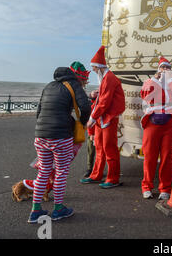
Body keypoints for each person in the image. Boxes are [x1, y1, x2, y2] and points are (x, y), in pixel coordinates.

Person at [28, 66, 91, 223]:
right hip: (61, 136)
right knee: (61, 171)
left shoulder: (49, 85)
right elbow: (85, 107)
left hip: (40, 135)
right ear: (72, 76)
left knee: (43, 171)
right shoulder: (74, 84)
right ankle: (58, 209)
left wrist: (44, 128)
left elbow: (39, 111)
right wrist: (82, 124)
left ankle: (35, 211)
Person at [80, 46, 126, 189]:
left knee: (109, 148)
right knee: (99, 146)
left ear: (99, 67)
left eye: (94, 68)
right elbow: (102, 100)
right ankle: (96, 174)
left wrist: (92, 118)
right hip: (102, 118)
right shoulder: (105, 79)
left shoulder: (109, 78)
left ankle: (113, 178)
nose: (93, 70)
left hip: (108, 118)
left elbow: (105, 102)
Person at [140, 57, 172, 199]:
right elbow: (145, 95)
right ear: (158, 69)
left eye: (167, 67)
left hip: (169, 123)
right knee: (149, 156)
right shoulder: (150, 81)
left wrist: (170, 80)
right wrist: (154, 79)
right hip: (152, 122)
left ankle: (165, 188)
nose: (164, 70)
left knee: (167, 156)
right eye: (162, 67)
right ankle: (146, 186)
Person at [84, 89, 98, 178]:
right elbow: (88, 120)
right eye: (95, 92)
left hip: (101, 131)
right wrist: (91, 134)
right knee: (91, 151)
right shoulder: (90, 105)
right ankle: (89, 169)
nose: (96, 92)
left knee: (101, 153)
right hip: (92, 132)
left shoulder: (100, 102)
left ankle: (97, 169)